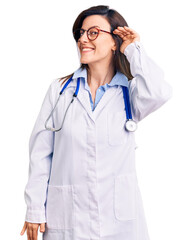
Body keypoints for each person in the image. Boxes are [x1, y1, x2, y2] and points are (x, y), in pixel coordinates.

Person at [20, 5, 172, 240]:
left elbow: (160, 92)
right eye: (80, 33)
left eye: (93, 32)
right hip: (67, 219)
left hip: (120, 223)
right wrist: (34, 209)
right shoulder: (60, 90)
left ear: (115, 41)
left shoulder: (130, 94)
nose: (83, 39)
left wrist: (133, 49)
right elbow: (40, 155)